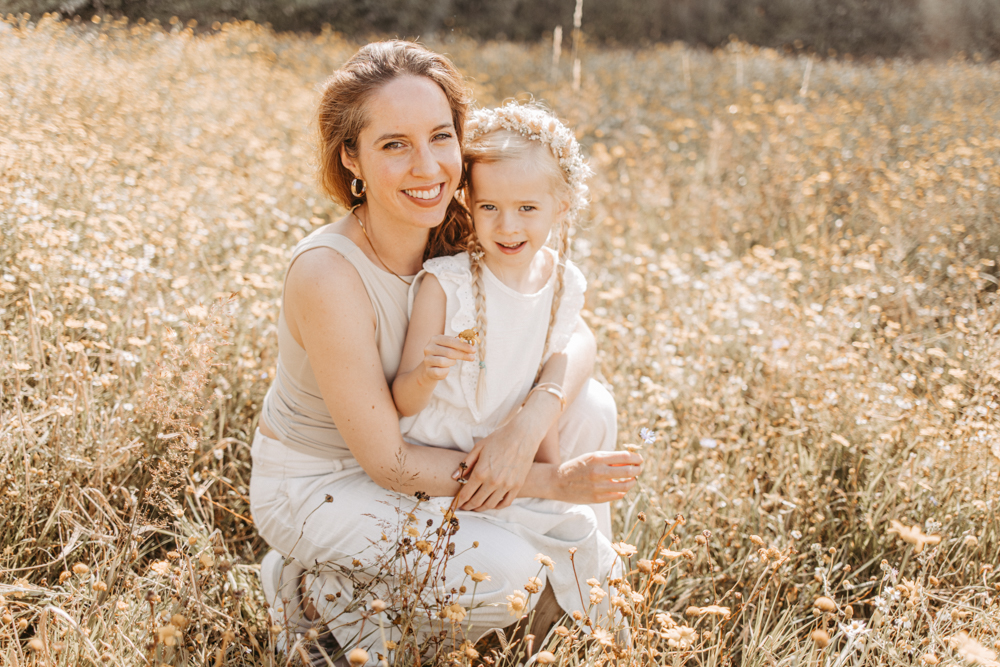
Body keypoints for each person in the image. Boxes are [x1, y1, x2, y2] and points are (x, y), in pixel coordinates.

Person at [248, 41, 642, 661]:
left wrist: (528, 425)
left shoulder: (465, 223)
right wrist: (553, 481)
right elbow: (389, 465)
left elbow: (572, 330)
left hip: (425, 441)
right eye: (394, 144)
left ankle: (585, 608)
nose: (428, 167)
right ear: (350, 157)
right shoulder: (328, 273)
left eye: (440, 136)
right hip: (324, 482)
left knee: (590, 405)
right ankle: (312, 593)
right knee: (507, 572)